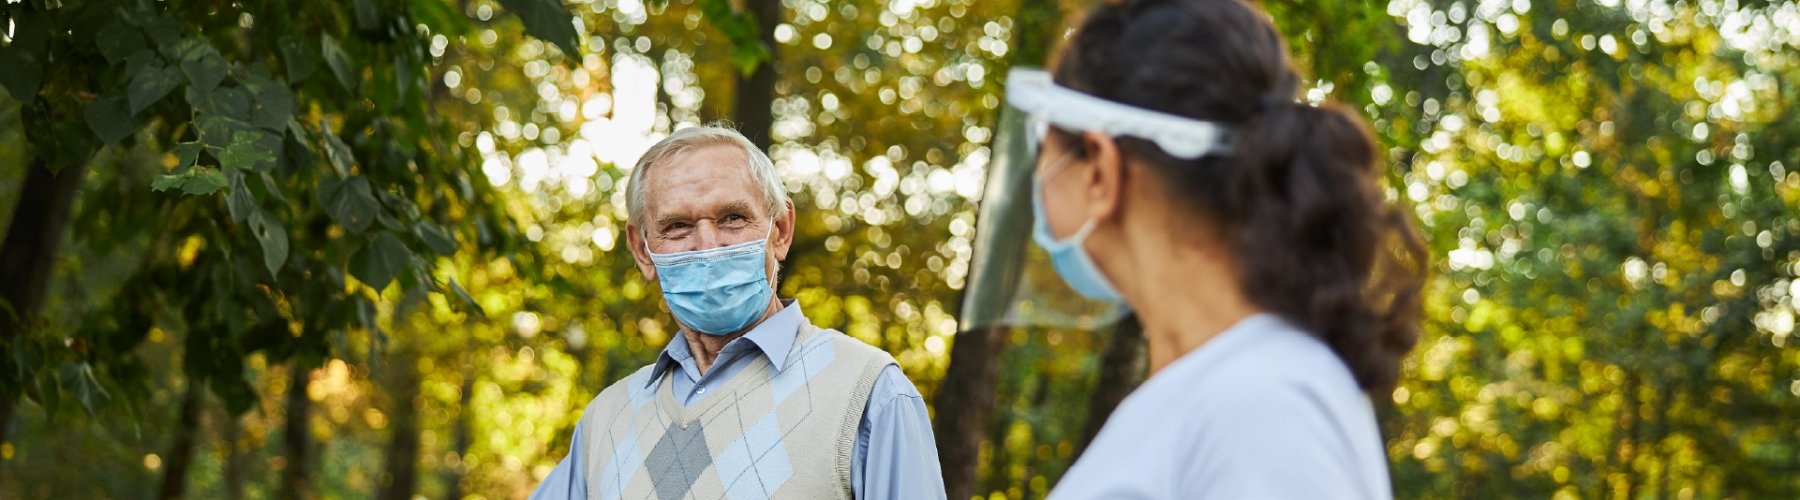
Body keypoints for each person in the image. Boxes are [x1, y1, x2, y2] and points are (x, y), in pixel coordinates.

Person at [1009, 0, 1428, 498]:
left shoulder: (1264, 405)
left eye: (1046, 152)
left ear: (1100, 167)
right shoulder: (1221, 392)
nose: (1037, 184)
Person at [530, 126, 946, 500]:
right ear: (642, 250)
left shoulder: (870, 394)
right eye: (677, 226)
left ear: (780, 231)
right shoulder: (606, 419)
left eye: (733, 218)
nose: (708, 246)